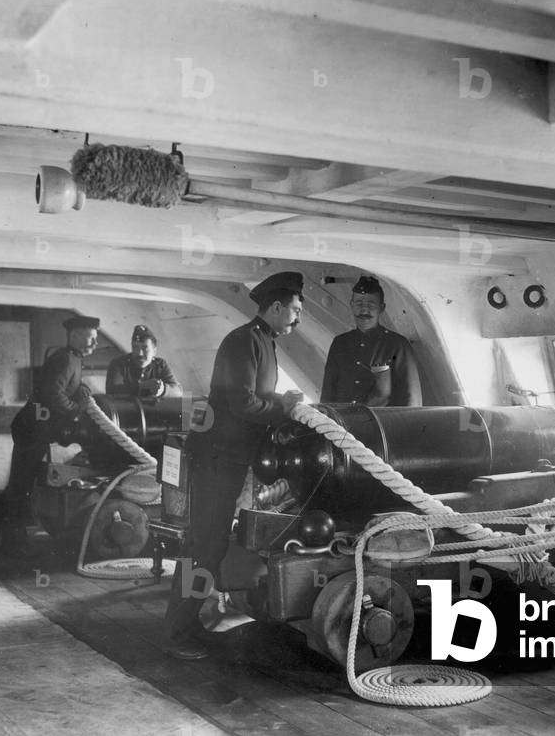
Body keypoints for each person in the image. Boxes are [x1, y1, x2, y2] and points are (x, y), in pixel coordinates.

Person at [163, 271, 305, 660]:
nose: (297, 318)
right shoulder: (242, 341)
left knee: (208, 546)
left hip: (227, 459)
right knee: (202, 547)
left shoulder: (263, 341)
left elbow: (253, 394)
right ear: (275, 308)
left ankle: (188, 623)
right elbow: (243, 403)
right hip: (216, 458)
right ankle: (178, 631)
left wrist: (280, 399)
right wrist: (284, 406)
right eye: (294, 309)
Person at [0, 315, 100, 552]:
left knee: (21, 486)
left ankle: (3, 539)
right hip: (33, 430)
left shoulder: (72, 359)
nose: (95, 344)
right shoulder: (66, 360)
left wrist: (81, 390)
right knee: (19, 487)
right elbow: (54, 396)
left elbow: (63, 390)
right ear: (76, 335)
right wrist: (76, 408)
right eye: (91, 338)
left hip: (34, 429)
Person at [321, 275, 422, 406]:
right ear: (351, 305)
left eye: (371, 304)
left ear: (382, 307)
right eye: (359, 303)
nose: (364, 310)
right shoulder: (340, 343)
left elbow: (411, 400)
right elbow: (327, 393)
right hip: (343, 424)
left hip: (381, 425)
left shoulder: (397, 345)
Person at [106, 324, 182, 398]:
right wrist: (141, 386)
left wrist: (163, 390)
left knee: (188, 405)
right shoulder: (120, 363)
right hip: (128, 410)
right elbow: (112, 390)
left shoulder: (160, 365)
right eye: (135, 347)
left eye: (145, 348)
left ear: (154, 351)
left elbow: (178, 391)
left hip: (156, 410)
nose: (140, 353)